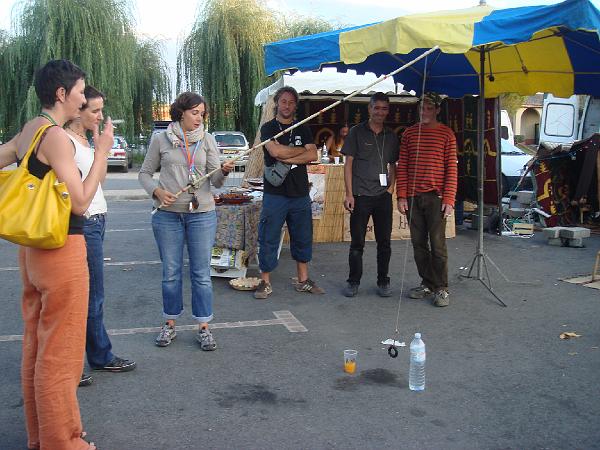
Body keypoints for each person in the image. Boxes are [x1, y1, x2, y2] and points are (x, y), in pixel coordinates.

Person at [0, 59, 113, 450]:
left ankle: (41, 436)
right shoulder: (58, 139)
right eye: (81, 91)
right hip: (61, 245)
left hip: (33, 250)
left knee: (36, 343)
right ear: (63, 94)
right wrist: (101, 154)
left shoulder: (32, 129)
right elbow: (80, 202)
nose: (84, 98)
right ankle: (61, 442)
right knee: (61, 352)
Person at [139, 92, 234, 349]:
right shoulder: (162, 140)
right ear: (181, 112)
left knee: (201, 273)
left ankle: (203, 326)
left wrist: (224, 172)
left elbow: (215, 181)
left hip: (201, 214)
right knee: (170, 273)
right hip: (167, 216)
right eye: (194, 112)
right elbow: (145, 173)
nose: (199, 118)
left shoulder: (207, 139)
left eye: (202, 113)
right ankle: (169, 324)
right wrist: (157, 192)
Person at [65, 86, 136, 388]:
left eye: (101, 110)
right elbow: (76, 190)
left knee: (93, 295)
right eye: (94, 110)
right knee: (85, 298)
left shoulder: (85, 140)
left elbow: (100, 177)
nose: (100, 116)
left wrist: (101, 148)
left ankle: (97, 355)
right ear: (77, 110)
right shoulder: (64, 141)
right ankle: (75, 363)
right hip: (82, 221)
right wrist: (102, 150)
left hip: (97, 219)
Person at [254, 86, 324, 299]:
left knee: (302, 236)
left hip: (300, 193)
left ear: (295, 105)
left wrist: (287, 156)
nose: (287, 106)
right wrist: (299, 153)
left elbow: (313, 155)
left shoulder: (303, 127)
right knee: (269, 236)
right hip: (275, 192)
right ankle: (264, 282)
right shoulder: (267, 128)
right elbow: (274, 152)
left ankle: (303, 280)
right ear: (277, 103)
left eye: (291, 102)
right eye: (284, 101)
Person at [396, 92, 458, 307]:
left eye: (429, 108)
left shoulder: (447, 134)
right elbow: (402, 166)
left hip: (436, 197)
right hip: (413, 197)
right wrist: (401, 195)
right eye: (422, 107)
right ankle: (427, 282)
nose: (424, 112)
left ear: (437, 110)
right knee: (418, 244)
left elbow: (452, 167)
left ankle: (442, 288)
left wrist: (449, 198)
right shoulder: (409, 134)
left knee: (438, 245)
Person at [341, 93, 399, 298]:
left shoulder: (391, 136)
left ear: (387, 111)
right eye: (377, 108)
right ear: (369, 109)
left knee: (385, 243)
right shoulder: (356, 132)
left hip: (383, 196)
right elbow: (348, 164)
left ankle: (383, 281)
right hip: (360, 195)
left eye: (384, 108)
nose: (380, 112)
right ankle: (353, 281)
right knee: (357, 243)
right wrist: (349, 193)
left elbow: (393, 165)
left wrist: (391, 189)